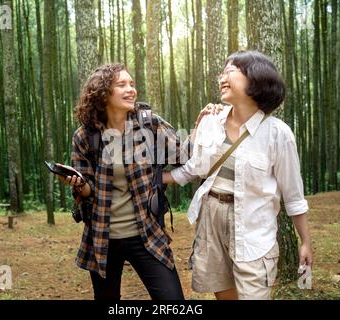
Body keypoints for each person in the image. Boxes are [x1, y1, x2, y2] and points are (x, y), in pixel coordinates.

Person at [163, 50, 313, 300]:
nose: (222, 77)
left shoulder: (278, 134)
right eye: (222, 72)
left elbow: (294, 195)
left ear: (255, 79)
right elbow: (196, 168)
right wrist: (157, 178)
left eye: (230, 71)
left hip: (253, 226)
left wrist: (305, 241)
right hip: (211, 219)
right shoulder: (211, 121)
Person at [59, 63, 209, 300]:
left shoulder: (149, 123)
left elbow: (185, 155)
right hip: (102, 237)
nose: (131, 89)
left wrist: (202, 127)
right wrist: (78, 184)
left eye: (132, 84)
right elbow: (87, 189)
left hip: (146, 234)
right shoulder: (85, 135)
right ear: (102, 93)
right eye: (122, 85)